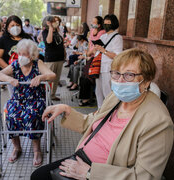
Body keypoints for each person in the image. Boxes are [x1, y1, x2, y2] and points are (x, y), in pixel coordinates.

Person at [31, 48, 173, 180]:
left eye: (129, 75)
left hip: (101, 174)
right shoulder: (116, 97)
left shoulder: (158, 122)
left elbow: (145, 176)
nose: (120, 81)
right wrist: (67, 110)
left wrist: (89, 173)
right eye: (116, 73)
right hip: (81, 158)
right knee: (38, 176)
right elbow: (93, 122)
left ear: (146, 81)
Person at [0, 39, 56, 166]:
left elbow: (52, 75)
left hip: (36, 99)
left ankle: (36, 150)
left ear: (32, 55)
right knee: (11, 115)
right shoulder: (15, 64)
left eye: (25, 54)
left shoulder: (37, 63)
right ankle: (17, 148)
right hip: (18, 99)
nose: (21, 57)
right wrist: (10, 79)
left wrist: (40, 77)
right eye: (20, 54)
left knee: (33, 115)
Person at [95, 14, 123, 108]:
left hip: (108, 68)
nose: (106, 25)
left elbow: (117, 56)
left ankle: (108, 112)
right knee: (98, 91)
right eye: (105, 23)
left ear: (113, 24)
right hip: (98, 67)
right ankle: (100, 110)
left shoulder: (117, 37)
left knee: (107, 91)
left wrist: (104, 51)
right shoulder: (103, 36)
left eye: (108, 23)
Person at [42, 16, 65, 101]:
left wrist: (64, 53)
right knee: (49, 78)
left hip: (59, 58)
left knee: (56, 78)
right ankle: (45, 95)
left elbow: (61, 43)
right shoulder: (45, 31)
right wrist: (50, 28)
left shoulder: (58, 31)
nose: (56, 22)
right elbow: (49, 41)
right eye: (54, 21)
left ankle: (52, 95)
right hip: (50, 59)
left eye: (56, 21)